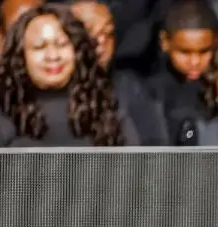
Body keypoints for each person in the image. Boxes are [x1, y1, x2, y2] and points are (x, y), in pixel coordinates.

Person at [0, 4, 136, 146]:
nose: (53, 56)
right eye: (39, 47)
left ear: (77, 50)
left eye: (62, 44)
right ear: (21, 57)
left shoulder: (106, 107)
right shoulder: (0, 115)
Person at [70, 0, 168, 144]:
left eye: (108, 32)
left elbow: (157, 146)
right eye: (91, 33)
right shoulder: (45, 95)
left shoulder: (129, 87)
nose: (102, 42)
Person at [147, 0, 218, 132]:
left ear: (216, 42)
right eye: (185, 52)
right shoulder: (148, 93)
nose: (195, 62)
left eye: (204, 51)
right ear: (165, 42)